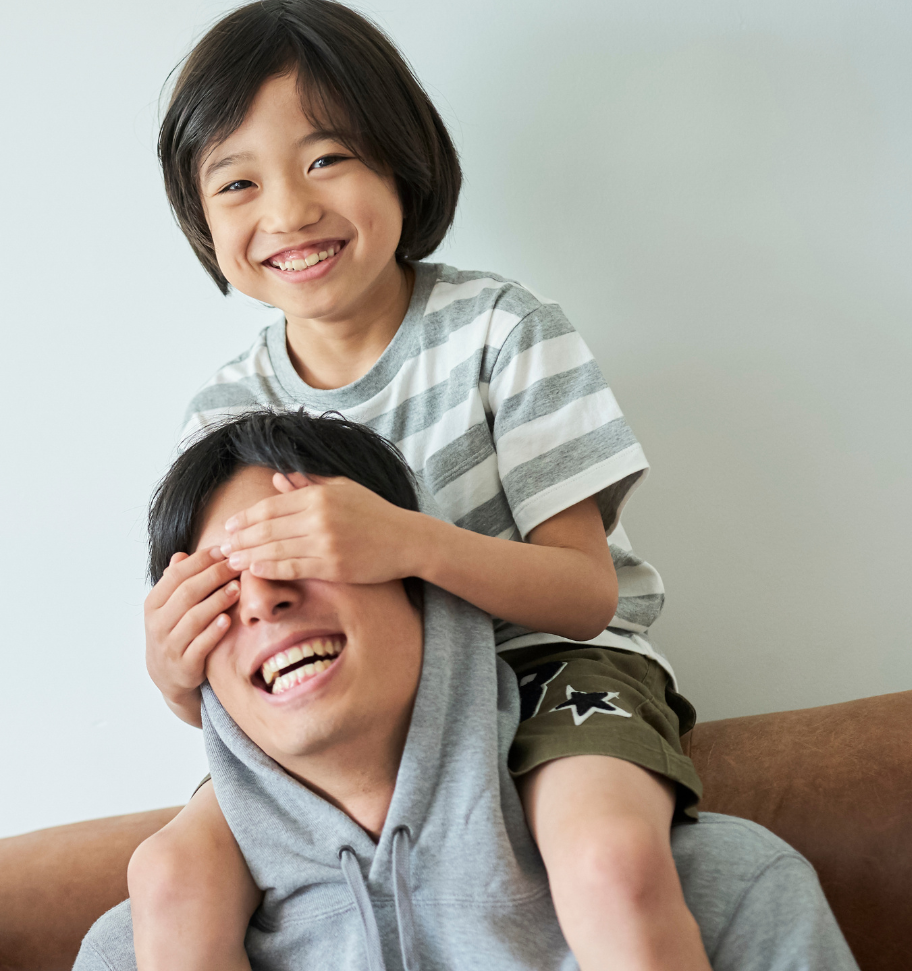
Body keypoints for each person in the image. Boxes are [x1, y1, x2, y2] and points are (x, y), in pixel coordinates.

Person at [137, 1, 714, 968]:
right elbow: (225, 680)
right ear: (203, 220)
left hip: (548, 673)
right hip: (349, 723)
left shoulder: (504, 332)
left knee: (610, 856)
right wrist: (171, 668)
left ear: (403, 161)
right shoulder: (220, 417)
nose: (287, 211)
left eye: (326, 159)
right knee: (166, 879)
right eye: (237, 182)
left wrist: (406, 543)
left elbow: (587, 594)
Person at [79, 410, 859, 970]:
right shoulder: (134, 953)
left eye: (303, 545)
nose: (262, 598)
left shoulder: (727, 895)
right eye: (218, 585)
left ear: (427, 589)